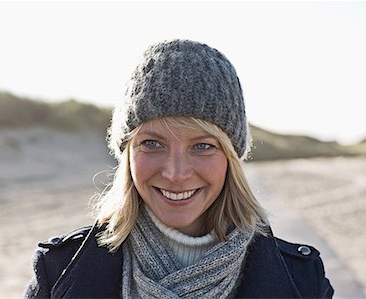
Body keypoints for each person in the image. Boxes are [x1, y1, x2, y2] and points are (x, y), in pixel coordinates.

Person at [24, 39, 334, 298]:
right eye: (152, 144)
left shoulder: (302, 280)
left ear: (230, 157)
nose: (175, 173)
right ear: (127, 153)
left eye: (202, 146)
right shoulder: (58, 271)